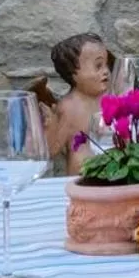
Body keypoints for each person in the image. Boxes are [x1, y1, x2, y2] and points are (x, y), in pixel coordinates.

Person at [41, 33, 109, 175]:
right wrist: (49, 128)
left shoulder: (109, 99)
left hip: (114, 173)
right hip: (82, 175)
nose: (106, 71)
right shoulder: (69, 107)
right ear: (73, 74)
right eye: (98, 66)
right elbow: (53, 149)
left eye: (106, 64)